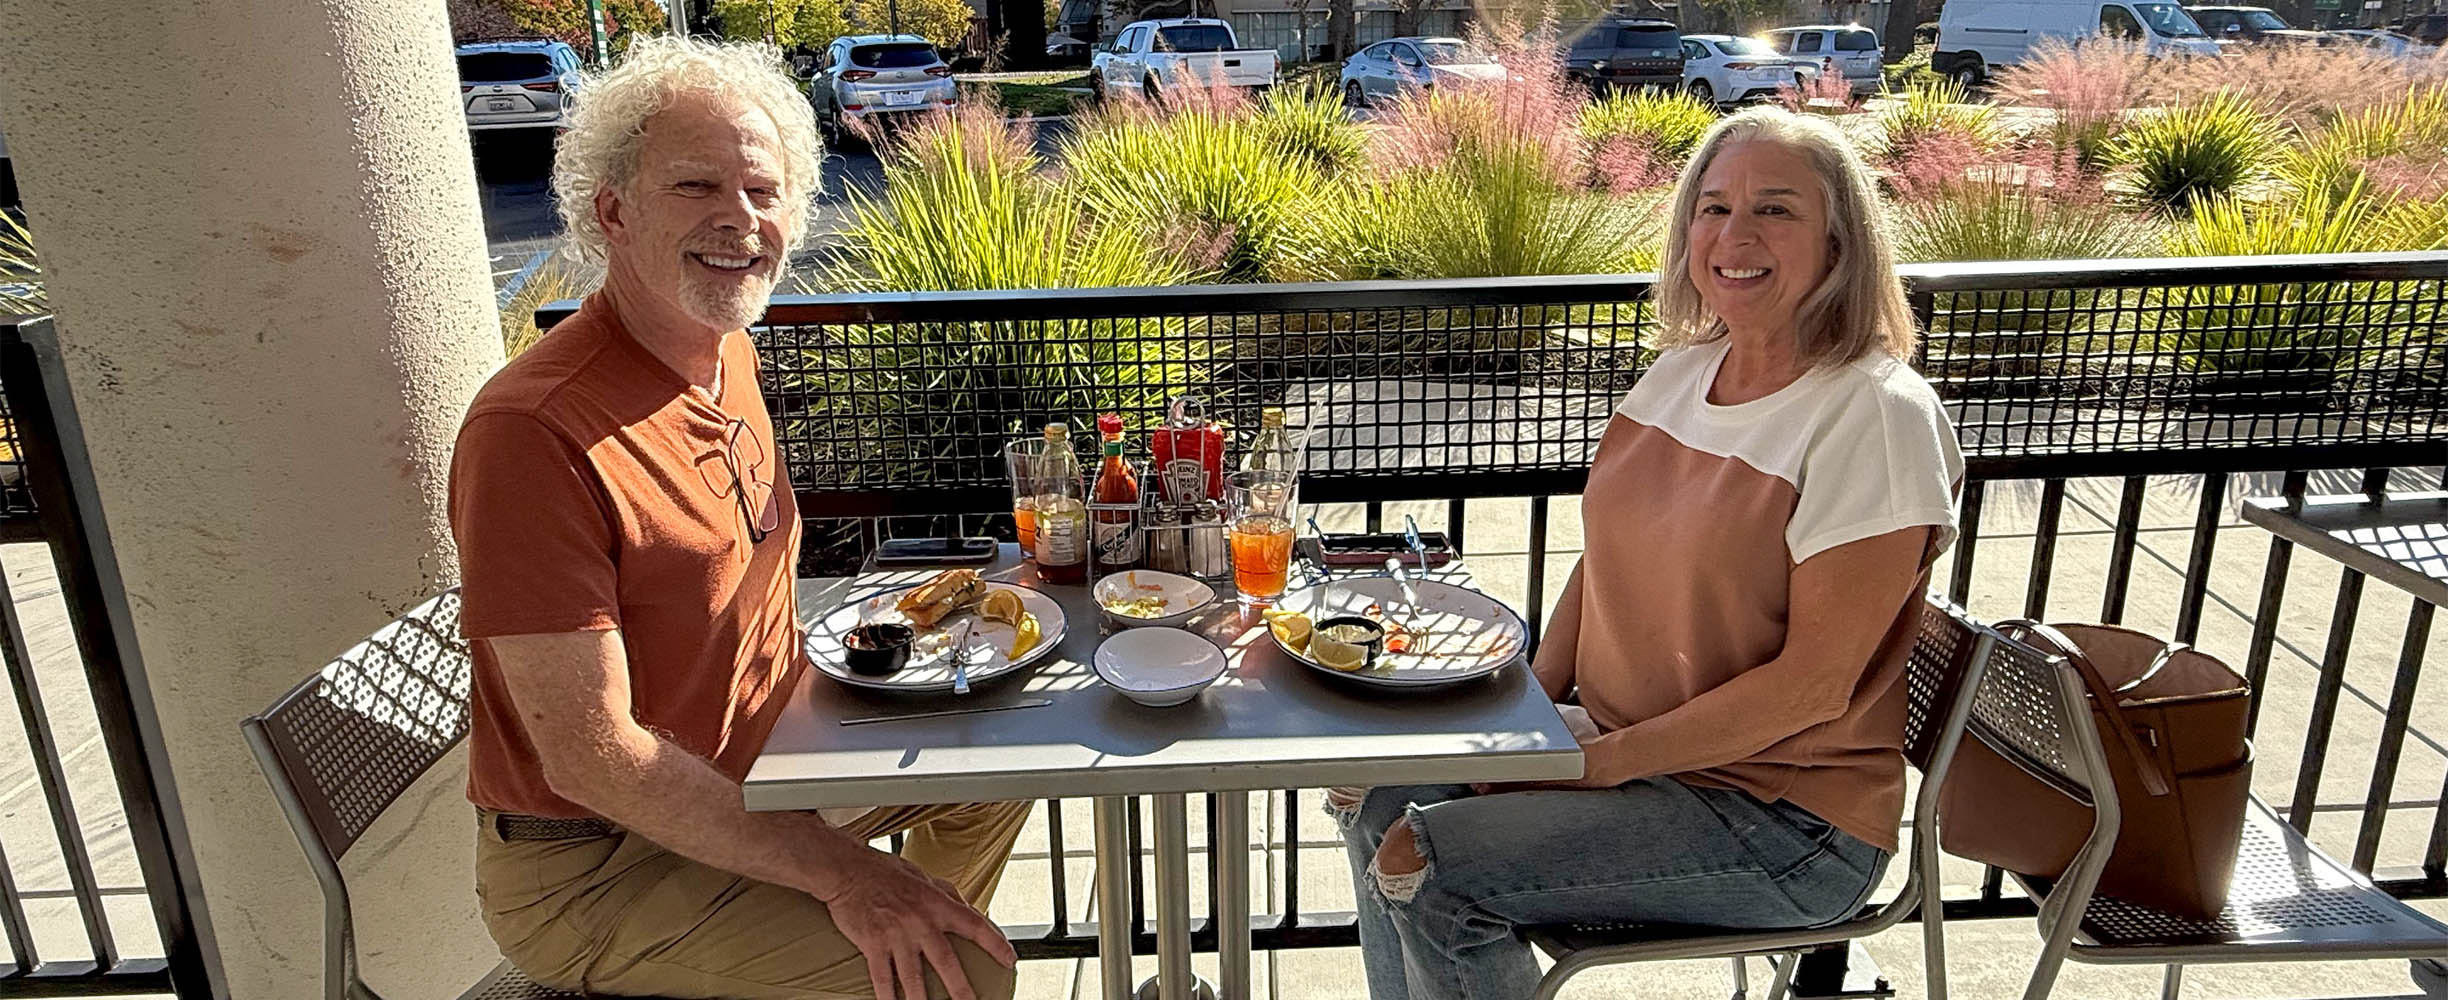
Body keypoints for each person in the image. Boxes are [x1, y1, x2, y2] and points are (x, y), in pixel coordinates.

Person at [1331, 106, 1965, 1000]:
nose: (1735, 236)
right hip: (1638, 751)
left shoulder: (1875, 415)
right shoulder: (1681, 373)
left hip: (1779, 816)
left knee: (1429, 866)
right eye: (1714, 207)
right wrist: (1529, 718)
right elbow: (1604, 565)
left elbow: (1812, 688)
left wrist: (1590, 765)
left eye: (1775, 210)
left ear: (1839, 241)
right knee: (1376, 801)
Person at [449, 36, 1032, 1000]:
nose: (740, 219)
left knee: (1002, 770)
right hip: (597, 863)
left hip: (769, 771)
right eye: (695, 186)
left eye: (764, 191)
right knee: (956, 970)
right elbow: (593, 759)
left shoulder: (725, 354)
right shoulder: (533, 431)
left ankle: (887, 956)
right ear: (612, 210)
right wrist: (848, 874)